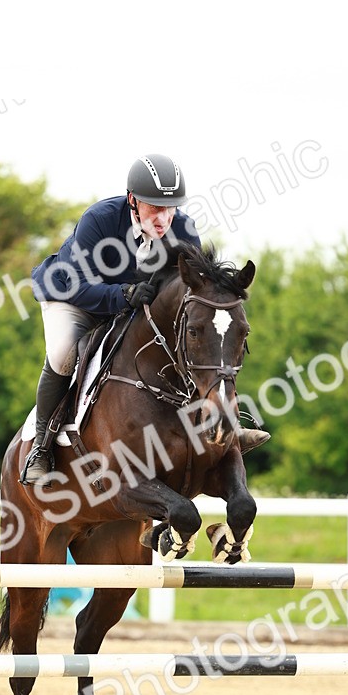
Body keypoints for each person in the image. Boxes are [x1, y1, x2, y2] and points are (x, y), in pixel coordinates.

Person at [21, 153, 269, 485]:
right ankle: (41, 447)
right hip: (72, 298)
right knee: (64, 353)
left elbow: (191, 288)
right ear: (132, 201)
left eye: (170, 209)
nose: (163, 218)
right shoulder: (101, 220)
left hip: (131, 304)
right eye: (155, 208)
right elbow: (79, 286)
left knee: (197, 343)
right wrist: (122, 294)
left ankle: (223, 426)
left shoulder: (182, 229)